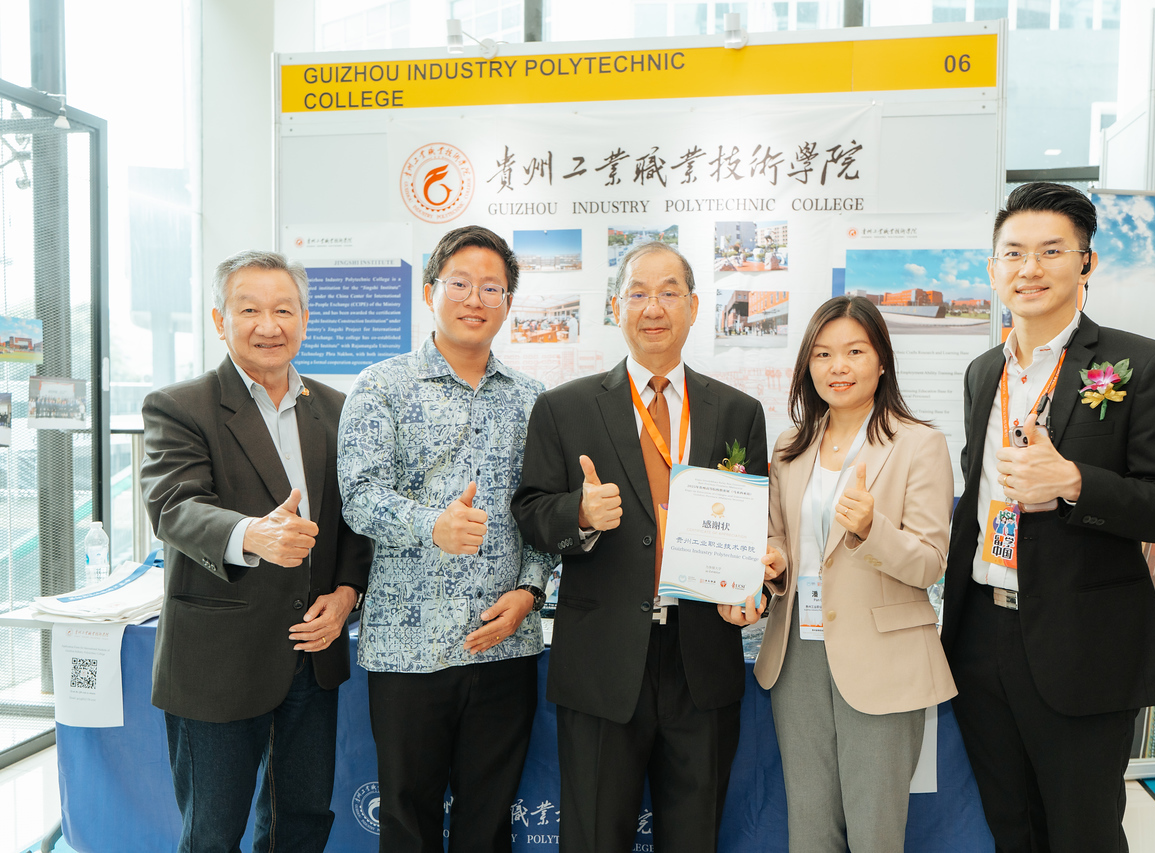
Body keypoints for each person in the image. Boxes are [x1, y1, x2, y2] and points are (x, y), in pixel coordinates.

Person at [942, 182, 1155, 852]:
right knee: (1010, 826)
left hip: (1081, 644)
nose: (1029, 268)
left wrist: (1076, 482)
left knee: (1083, 832)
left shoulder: (1143, 364)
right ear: (993, 269)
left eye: (1051, 251)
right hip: (980, 635)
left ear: (1087, 262)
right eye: (1013, 253)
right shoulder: (981, 373)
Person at [512, 240, 767, 852]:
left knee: (694, 837)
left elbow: (754, 531)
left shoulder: (738, 412)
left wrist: (754, 586)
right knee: (594, 837)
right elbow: (531, 514)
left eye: (669, 293)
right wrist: (579, 514)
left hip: (701, 658)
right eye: (638, 294)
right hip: (602, 661)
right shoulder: (563, 407)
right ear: (615, 307)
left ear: (694, 307)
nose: (654, 308)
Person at [141, 249, 373, 853]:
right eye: (249, 310)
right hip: (217, 659)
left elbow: (356, 519)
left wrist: (348, 593)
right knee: (212, 833)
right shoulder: (180, 406)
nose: (268, 325)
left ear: (304, 320)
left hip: (312, 655)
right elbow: (174, 505)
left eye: (284, 310)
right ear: (220, 321)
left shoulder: (338, 409)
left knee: (302, 823)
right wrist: (251, 534)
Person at [338, 225, 554, 853]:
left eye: (492, 287)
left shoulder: (532, 400)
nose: (475, 299)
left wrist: (530, 593)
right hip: (410, 649)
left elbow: (541, 512)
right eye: (459, 283)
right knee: (408, 822)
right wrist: (431, 524)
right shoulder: (381, 386)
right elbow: (359, 497)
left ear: (508, 303)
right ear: (430, 291)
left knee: (488, 825)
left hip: (503, 644)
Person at [747, 296, 956, 853]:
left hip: (882, 656)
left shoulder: (919, 444)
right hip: (797, 652)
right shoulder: (790, 447)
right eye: (822, 354)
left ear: (882, 360)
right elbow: (779, 539)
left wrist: (870, 529)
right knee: (809, 827)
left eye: (855, 352)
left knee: (874, 832)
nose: (837, 367)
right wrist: (775, 563)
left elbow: (930, 562)